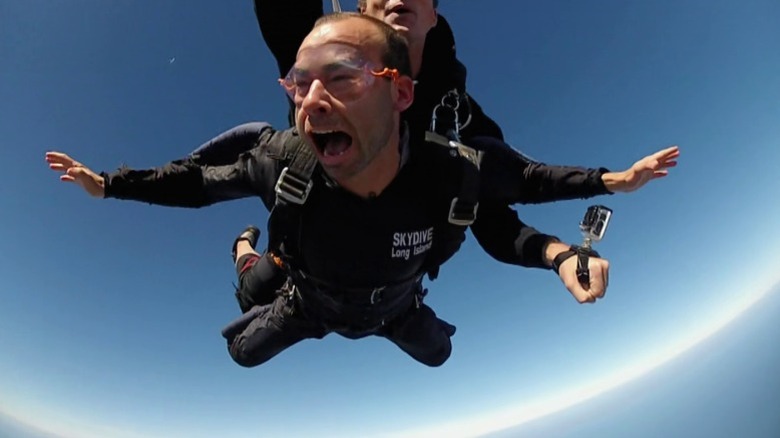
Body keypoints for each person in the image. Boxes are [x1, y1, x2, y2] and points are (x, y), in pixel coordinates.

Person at [46, 13, 614, 368]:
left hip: (392, 305)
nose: (311, 99)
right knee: (243, 339)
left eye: (345, 76)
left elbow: (517, 189)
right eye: (299, 84)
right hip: (307, 300)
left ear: (401, 93)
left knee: (439, 354)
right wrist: (111, 185)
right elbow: (200, 183)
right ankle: (247, 252)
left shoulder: (447, 163)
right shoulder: (286, 162)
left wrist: (574, 236)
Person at [211, 0, 679, 314]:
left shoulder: (452, 114)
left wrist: (558, 254)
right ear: (362, 8)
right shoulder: (321, 63)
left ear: (434, 14)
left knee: (435, 349)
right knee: (252, 308)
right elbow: (282, 11)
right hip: (307, 255)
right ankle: (243, 249)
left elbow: (492, 210)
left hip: (393, 279)